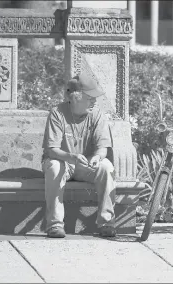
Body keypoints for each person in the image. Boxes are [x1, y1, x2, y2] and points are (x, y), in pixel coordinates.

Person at [41, 70, 116, 238]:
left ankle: (106, 223)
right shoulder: (57, 113)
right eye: (90, 97)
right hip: (63, 163)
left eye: (95, 97)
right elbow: (51, 150)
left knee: (106, 166)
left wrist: (97, 157)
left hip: (87, 165)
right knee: (53, 166)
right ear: (76, 97)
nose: (94, 101)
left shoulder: (97, 115)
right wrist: (72, 157)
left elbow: (103, 147)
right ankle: (55, 225)